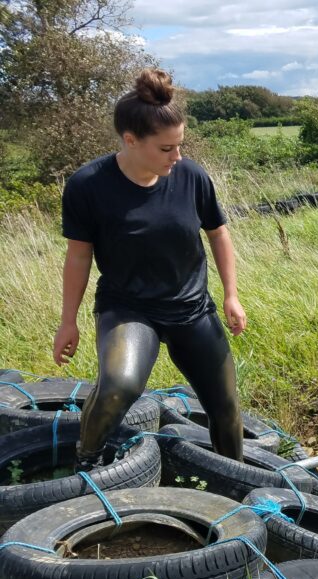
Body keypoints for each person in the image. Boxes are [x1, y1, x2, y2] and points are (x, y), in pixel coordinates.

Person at [54, 68, 246, 470]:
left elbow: (218, 233)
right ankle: (86, 463)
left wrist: (231, 294)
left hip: (192, 308)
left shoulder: (191, 176)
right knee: (119, 386)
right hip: (129, 309)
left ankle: (235, 481)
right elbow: (78, 255)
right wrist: (67, 321)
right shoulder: (88, 185)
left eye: (180, 145)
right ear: (130, 140)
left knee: (226, 408)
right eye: (166, 149)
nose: (177, 157)